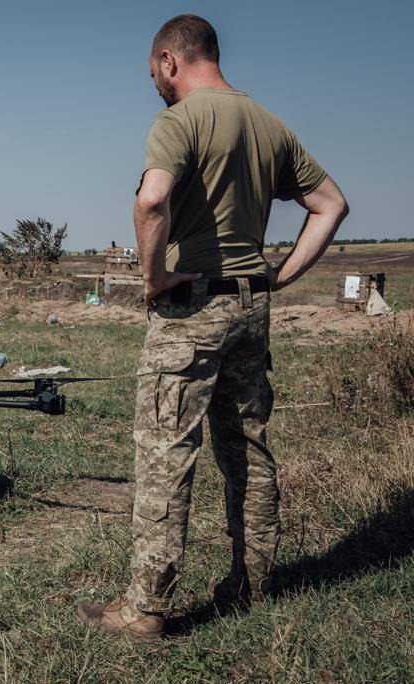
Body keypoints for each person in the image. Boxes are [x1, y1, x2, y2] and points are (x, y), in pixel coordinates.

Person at [77, 15, 349, 639]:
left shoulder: (180, 121)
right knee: (247, 448)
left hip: (193, 307)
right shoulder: (269, 125)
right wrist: (279, 275)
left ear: (170, 60)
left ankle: (145, 607)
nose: (157, 86)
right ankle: (253, 588)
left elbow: (151, 200)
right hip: (252, 307)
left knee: (166, 451)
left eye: (154, 75)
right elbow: (331, 204)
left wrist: (152, 280)